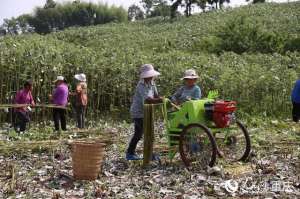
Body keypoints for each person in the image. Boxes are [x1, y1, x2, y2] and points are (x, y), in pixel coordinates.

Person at [126, 64, 162, 160]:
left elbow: (156, 95)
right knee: (145, 133)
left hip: (148, 111)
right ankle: (141, 154)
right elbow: (147, 100)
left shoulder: (152, 83)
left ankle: (135, 153)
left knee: (145, 133)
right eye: (148, 75)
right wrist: (159, 100)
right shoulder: (140, 85)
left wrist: (161, 99)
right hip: (138, 112)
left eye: (151, 75)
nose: (150, 77)